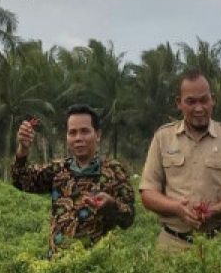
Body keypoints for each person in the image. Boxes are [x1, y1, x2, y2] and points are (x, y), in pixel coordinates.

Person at [139, 71, 221, 252]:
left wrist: (214, 211)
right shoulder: (163, 138)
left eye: (204, 100)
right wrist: (176, 208)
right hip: (172, 245)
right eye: (191, 102)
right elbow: (148, 194)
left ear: (212, 100)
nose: (199, 108)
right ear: (179, 103)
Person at [11, 104, 135, 256]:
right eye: (72, 133)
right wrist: (23, 148)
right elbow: (20, 180)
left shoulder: (115, 171)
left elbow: (128, 218)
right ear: (67, 137)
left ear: (97, 134)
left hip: (97, 266)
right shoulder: (58, 169)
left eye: (84, 131)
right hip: (56, 265)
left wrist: (111, 205)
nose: (78, 138)